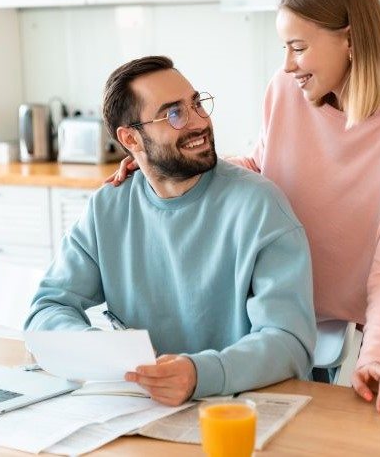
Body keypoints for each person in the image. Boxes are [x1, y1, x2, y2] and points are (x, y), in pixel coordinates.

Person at [107, 0, 380, 414]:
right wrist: (164, 164)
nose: (288, 64)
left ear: (349, 38)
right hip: (264, 315)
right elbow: (260, 167)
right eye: (284, 47)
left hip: (339, 331)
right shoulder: (285, 89)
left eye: (299, 47)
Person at [25, 55, 317, 406]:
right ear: (131, 140)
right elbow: (47, 308)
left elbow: (289, 342)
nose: (198, 122)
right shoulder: (108, 207)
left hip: (240, 408)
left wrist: (200, 373)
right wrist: (100, 351)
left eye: (196, 104)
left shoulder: (259, 206)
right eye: (174, 114)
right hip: (143, 408)